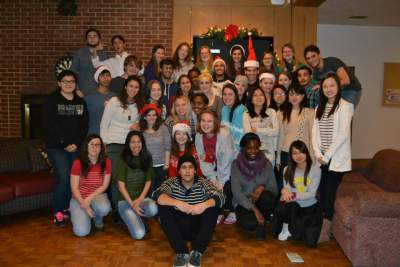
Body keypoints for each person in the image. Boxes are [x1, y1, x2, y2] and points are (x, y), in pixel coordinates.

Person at [153, 155, 225, 267]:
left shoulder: (203, 182)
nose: (187, 171)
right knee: (163, 206)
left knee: (213, 207)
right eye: (184, 167)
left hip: (198, 229)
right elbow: (157, 194)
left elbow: (221, 196)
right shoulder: (171, 182)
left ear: (195, 170)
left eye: (191, 167)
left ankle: (197, 252)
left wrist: (203, 205)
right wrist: (177, 203)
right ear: (179, 171)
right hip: (177, 230)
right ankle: (181, 253)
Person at [311, 73, 353, 242]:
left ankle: (325, 231)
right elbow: (314, 133)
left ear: (338, 87)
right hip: (322, 159)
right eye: (325, 86)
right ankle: (320, 226)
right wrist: (318, 154)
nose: (328, 89)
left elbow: (343, 134)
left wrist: (327, 155)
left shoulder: (346, 106)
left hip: (336, 160)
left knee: (329, 194)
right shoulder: (319, 107)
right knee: (321, 192)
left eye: (332, 85)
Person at [45, 70, 88, 226]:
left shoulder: (80, 102)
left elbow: (84, 126)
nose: (69, 84)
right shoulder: (52, 100)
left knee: (74, 180)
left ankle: (70, 210)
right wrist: (65, 143)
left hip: (75, 147)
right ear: (59, 84)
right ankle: (59, 212)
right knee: (63, 178)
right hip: (56, 147)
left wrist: (76, 144)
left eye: (71, 81)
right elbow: (51, 125)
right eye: (65, 81)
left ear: (75, 84)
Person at [100, 75, 144, 207]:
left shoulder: (139, 105)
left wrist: (139, 126)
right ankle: (116, 207)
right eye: (131, 86)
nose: (133, 89)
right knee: (115, 178)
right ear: (125, 87)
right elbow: (104, 124)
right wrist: (104, 144)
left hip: (130, 147)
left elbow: (140, 124)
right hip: (113, 145)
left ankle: (127, 205)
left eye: (136, 87)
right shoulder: (114, 101)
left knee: (128, 178)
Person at [272, 140, 322, 246]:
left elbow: (312, 193)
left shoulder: (316, 170)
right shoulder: (287, 169)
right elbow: (286, 188)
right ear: (291, 155)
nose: (298, 156)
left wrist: (292, 195)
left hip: (310, 206)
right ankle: (285, 226)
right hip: (293, 205)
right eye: (294, 153)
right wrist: (284, 192)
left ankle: (295, 227)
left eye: (301, 152)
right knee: (282, 205)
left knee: (309, 241)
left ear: (306, 153)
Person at [231, 133, 278, 240]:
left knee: (268, 197)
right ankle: (258, 220)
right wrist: (254, 209)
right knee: (249, 225)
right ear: (243, 148)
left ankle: (262, 223)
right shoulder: (235, 165)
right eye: (249, 148)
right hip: (244, 203)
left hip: (261, 202)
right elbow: (237, 194)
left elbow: (274, 188)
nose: (253, 151)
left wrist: (262, 187)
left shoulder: (267, 164)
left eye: (256, 148)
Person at [195, 109, 235, 224]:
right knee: (210, 185)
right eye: (203, 120)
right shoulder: (199, 135)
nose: (205, 124)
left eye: (209, 121)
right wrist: (212, 177)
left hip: (229, 164)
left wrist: (221, 181)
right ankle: (219, 212)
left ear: (215, 123)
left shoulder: (224, 134)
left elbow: (226, 160)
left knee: (225, 186)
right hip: (211, 164)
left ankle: (232, 210)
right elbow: (202, 158)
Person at [116, 131, 158, 240]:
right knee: (139, 235)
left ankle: (138, 216)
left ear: (142, 143)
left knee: (153, 208)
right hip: (125, 202)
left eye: (139, 142)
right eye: (133, 142)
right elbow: (121, 186)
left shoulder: (147, 157)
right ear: (128, 144)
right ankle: (130, 218)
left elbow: (148, 181)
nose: (136, 145)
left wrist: (139, 199)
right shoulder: (122, 159)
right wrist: (133, 204)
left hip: (141, 200)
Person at [69, 134, 111, 237]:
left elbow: (104, 186)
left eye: (98, 144)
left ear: (101, 148)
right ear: (86, 146)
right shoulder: (77, 163)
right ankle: (82, 214)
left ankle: (97, 216)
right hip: (78, 198)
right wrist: (85, 204)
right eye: (91, 144)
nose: (94, 147)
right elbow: (74, 188)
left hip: (96, 196)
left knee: (104, 208)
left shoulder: (107, 162)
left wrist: (88, 199)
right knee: (81, 232)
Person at [277, 85, 314, 190]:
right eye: (291, 94)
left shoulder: (310, 112)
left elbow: (312, 137)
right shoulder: (281, 113)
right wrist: (278, 158)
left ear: (302, 96)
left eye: (297, 94)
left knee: (301, 185)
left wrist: (312, 157)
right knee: (285, 186)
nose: (294, 97)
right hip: (286, 154)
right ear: (288, 97)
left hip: (302, 154)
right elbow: (280, 137)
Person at [139, 104, 171, 194]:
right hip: (148, 166)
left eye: (154, 115)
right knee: (150, 192)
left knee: (161, 192)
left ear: (157, 116)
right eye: (149, 115)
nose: (151, 117)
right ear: (144, 117)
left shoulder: (163, 128)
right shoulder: (140, 131)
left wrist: (167, 164)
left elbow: (168, 146)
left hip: (162, 166)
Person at [243, 88, 279, 166]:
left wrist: (258, 130)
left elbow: (276, 132)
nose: (259, 97)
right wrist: (268, 130)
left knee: (268, 177)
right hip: (253, 153)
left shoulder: (271, 112)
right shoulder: (246, 114)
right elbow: (249, 134)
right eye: (255, 95)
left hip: (269, 153)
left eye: (261, 95)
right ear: (251, 99)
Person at [71, 28, 108, 96]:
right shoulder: (79, 54)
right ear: (86, 40)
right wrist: (76, 89)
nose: (92, 38)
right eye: (89, 36)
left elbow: (106, 74)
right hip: (83, 92)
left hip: (100, 93)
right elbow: (72, 73)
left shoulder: (104, 55)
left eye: (95, 36)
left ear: (99, 39)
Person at [85, 66, 115, 135]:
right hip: (93, 135)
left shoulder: (115, 97)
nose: (105, 78)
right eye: (102, 76)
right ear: (97, 78)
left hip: (110, 135)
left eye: (108, 75)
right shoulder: (89, 97)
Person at [221, 83, 246, 152]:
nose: (227, 97)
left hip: (238, 149)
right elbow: (223, 129)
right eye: (224, 94)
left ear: (236, 96)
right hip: (227, 146)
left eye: (230, 94)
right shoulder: (225, 109)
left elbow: (238, 136)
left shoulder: (240, 110)